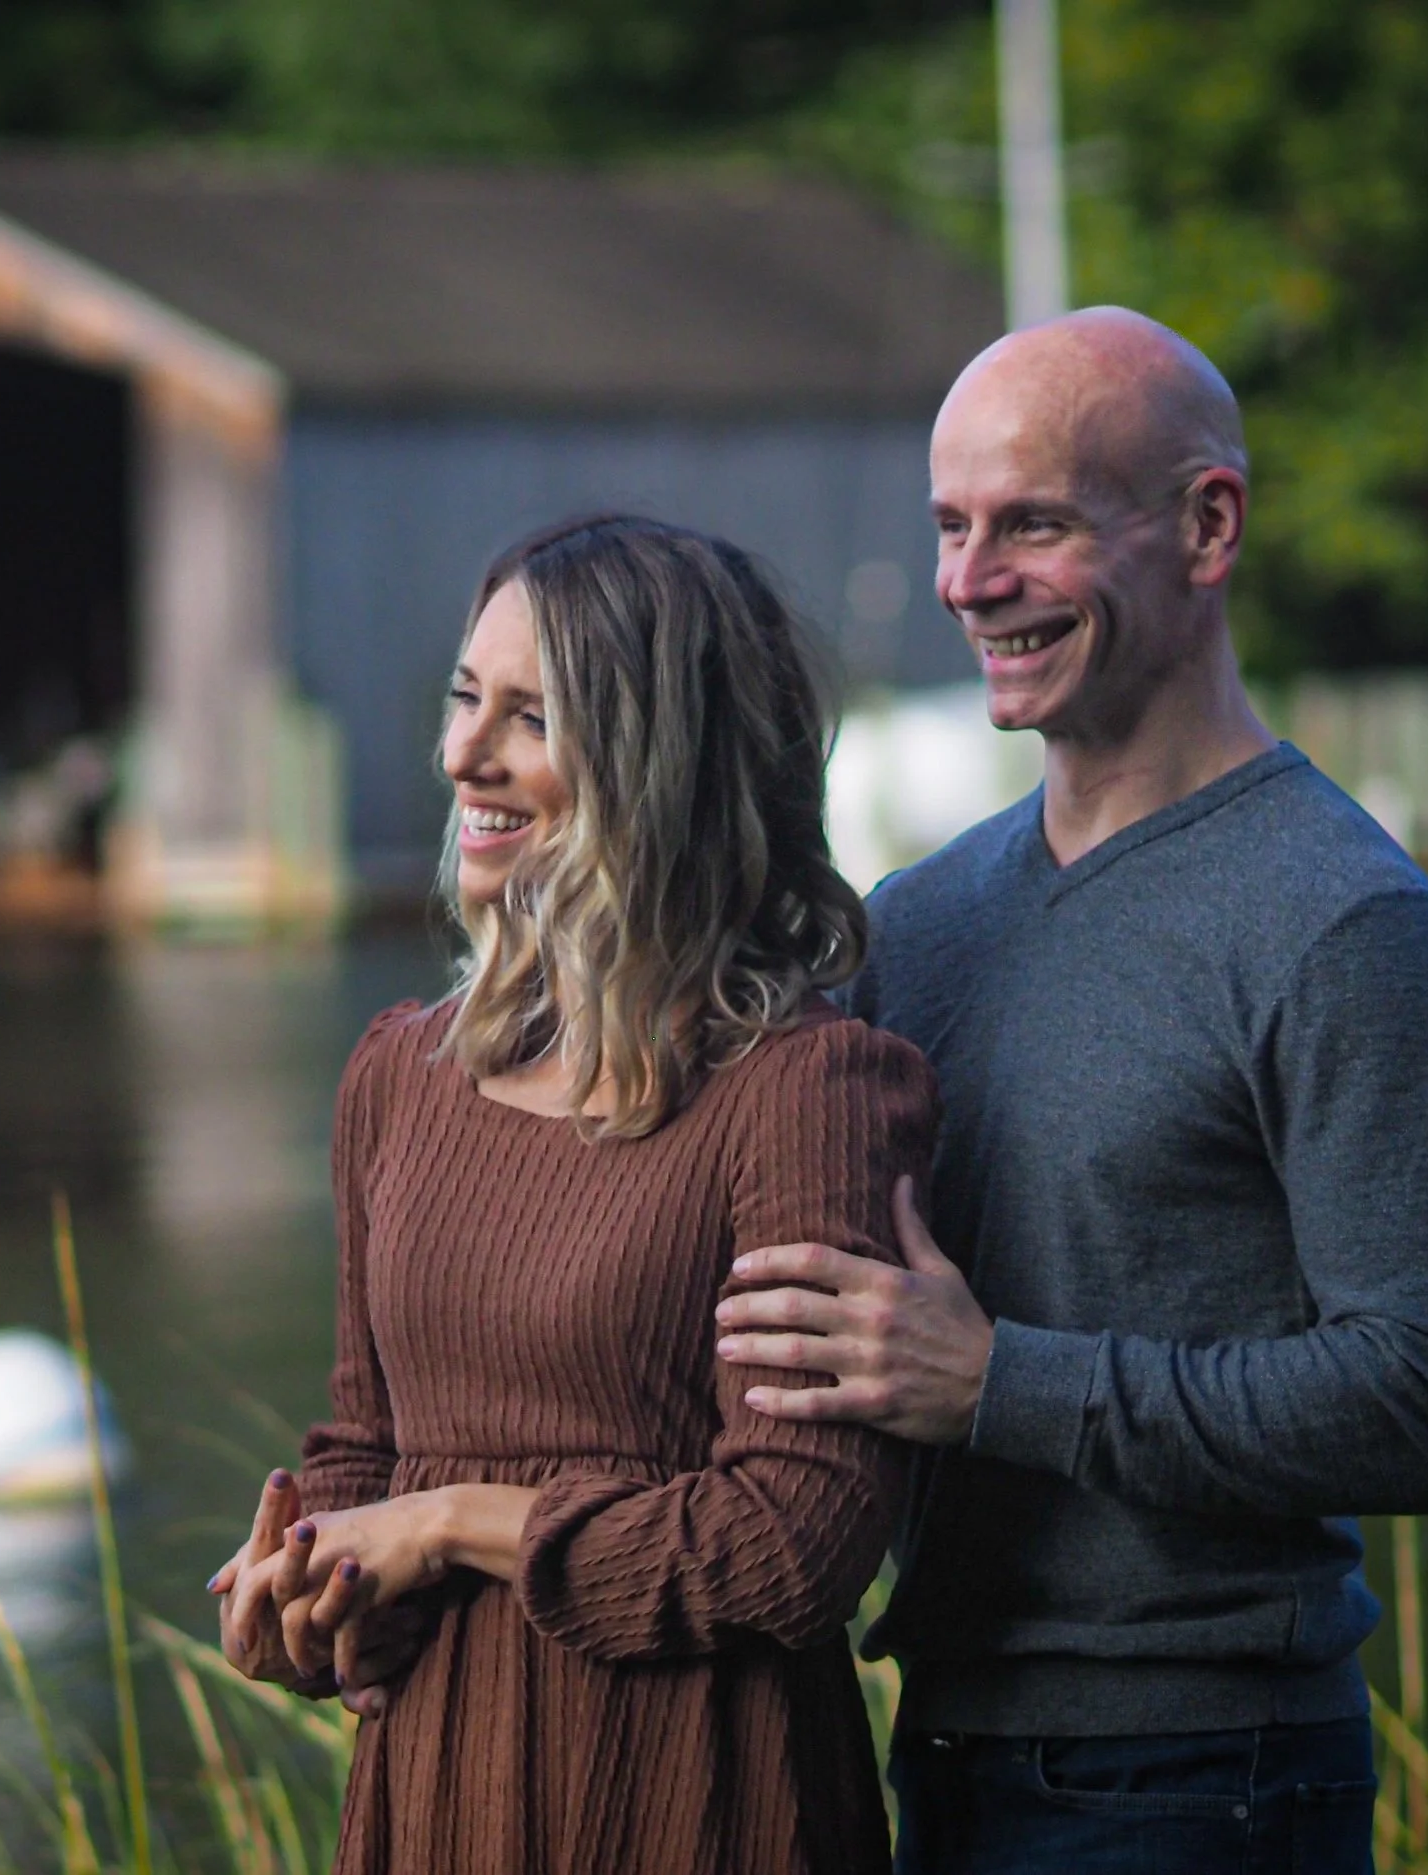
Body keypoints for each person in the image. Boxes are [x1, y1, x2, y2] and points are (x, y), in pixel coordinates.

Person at [711, 307, 1428, 1874]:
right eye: (951, 527)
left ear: (1208, 526)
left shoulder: (1351, 925)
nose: (969, 580)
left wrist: (997, 1381)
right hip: (937, 1746)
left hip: (1205, 1778)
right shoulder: (918, 921)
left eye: (1033, 524)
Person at [208, 515, 937, 1874]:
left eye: (532, 717)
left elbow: (794, 1545)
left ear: (664, 767)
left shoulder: (809, 1092)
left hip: (700, 1806)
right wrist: (311, 1597)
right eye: (463, 698)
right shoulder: (399, 1076)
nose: (462, 755)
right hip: (436, 1803)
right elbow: (365, 1446)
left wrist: (446, 1523)